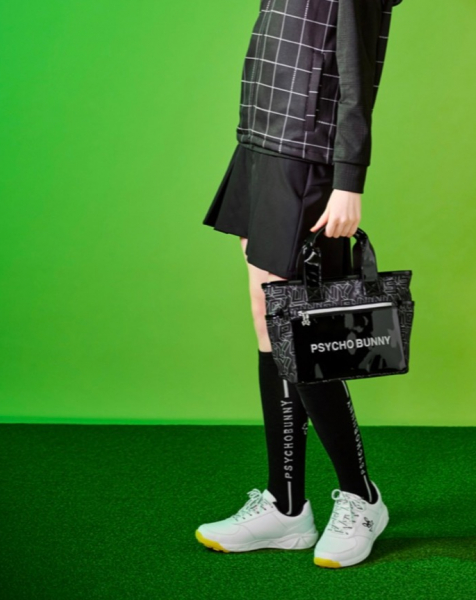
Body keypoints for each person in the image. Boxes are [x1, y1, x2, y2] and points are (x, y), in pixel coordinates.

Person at [197, 0, 403, 569]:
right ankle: (286, 507)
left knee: (299, 329)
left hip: (307, 153)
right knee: (268, 319)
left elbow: (357, 68)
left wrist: (349, 180)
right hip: (262, 136)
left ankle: (362, 498)